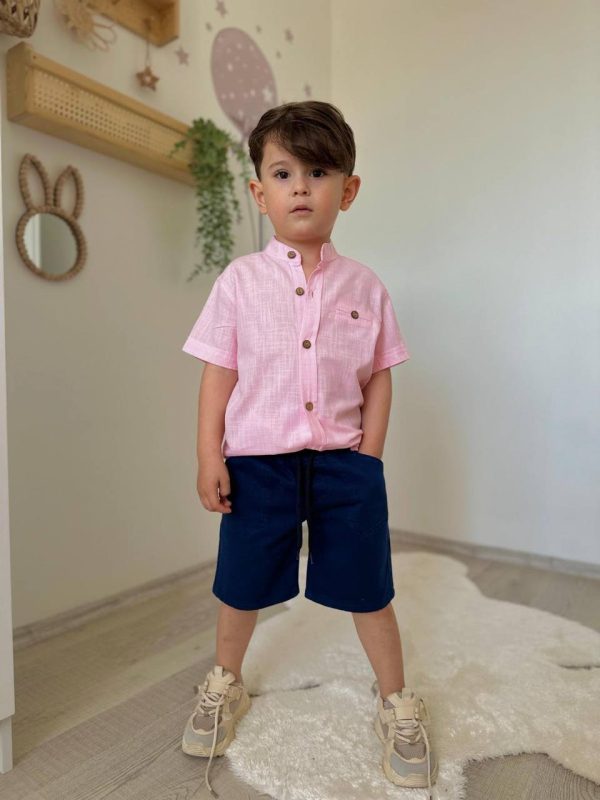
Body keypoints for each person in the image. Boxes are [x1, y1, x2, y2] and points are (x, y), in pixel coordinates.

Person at [180, 100, 438, 799]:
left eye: (318, 173)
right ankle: (225, 682)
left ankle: (396, 701)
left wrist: (368, 458)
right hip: (256, 463)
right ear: (258, 191)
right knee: (240, 584)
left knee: (368, 586)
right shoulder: (238, 282)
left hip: (343, 466)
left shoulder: (366, 287)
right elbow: (218, 376)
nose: (301, 187)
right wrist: (210, 454)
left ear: (347, 190)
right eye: (283, 173)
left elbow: (379, 375)